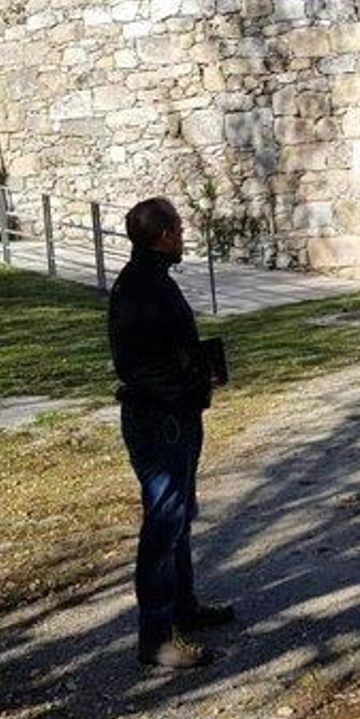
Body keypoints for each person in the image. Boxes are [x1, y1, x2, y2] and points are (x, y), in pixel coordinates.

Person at [108, 197, 233, 669]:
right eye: (179, 229)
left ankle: (184, 607)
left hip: (175, 414)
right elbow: (134, 365)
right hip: (159, 419)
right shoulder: (138, 286)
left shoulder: (153, 280)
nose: (183, 236)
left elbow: (160, 347)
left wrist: (197, 369)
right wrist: (183, 388)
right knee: (163, 523)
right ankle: (157, 637)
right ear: (163, 236)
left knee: (179, 515)